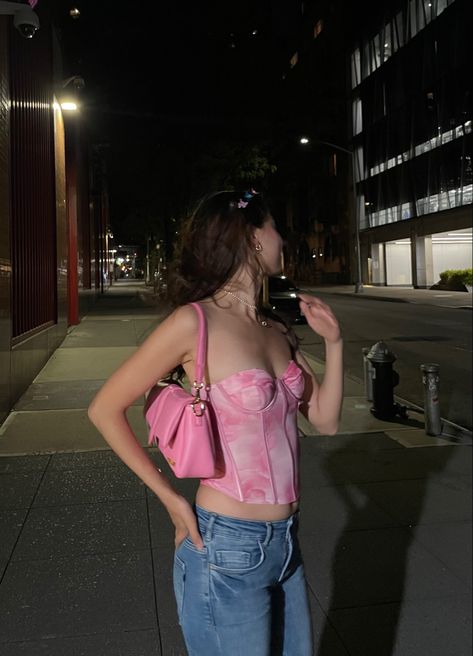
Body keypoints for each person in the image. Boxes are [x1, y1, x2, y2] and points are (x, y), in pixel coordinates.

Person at [88, 190, 343, 656]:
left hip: (285, 545)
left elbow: (324, 420)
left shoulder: (274, 328)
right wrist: (171, 501)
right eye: (274, 227)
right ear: (252, 237)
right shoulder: (195, 323)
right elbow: (104, 408)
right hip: (226, 544)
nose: (281, 237)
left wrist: (336, 343)